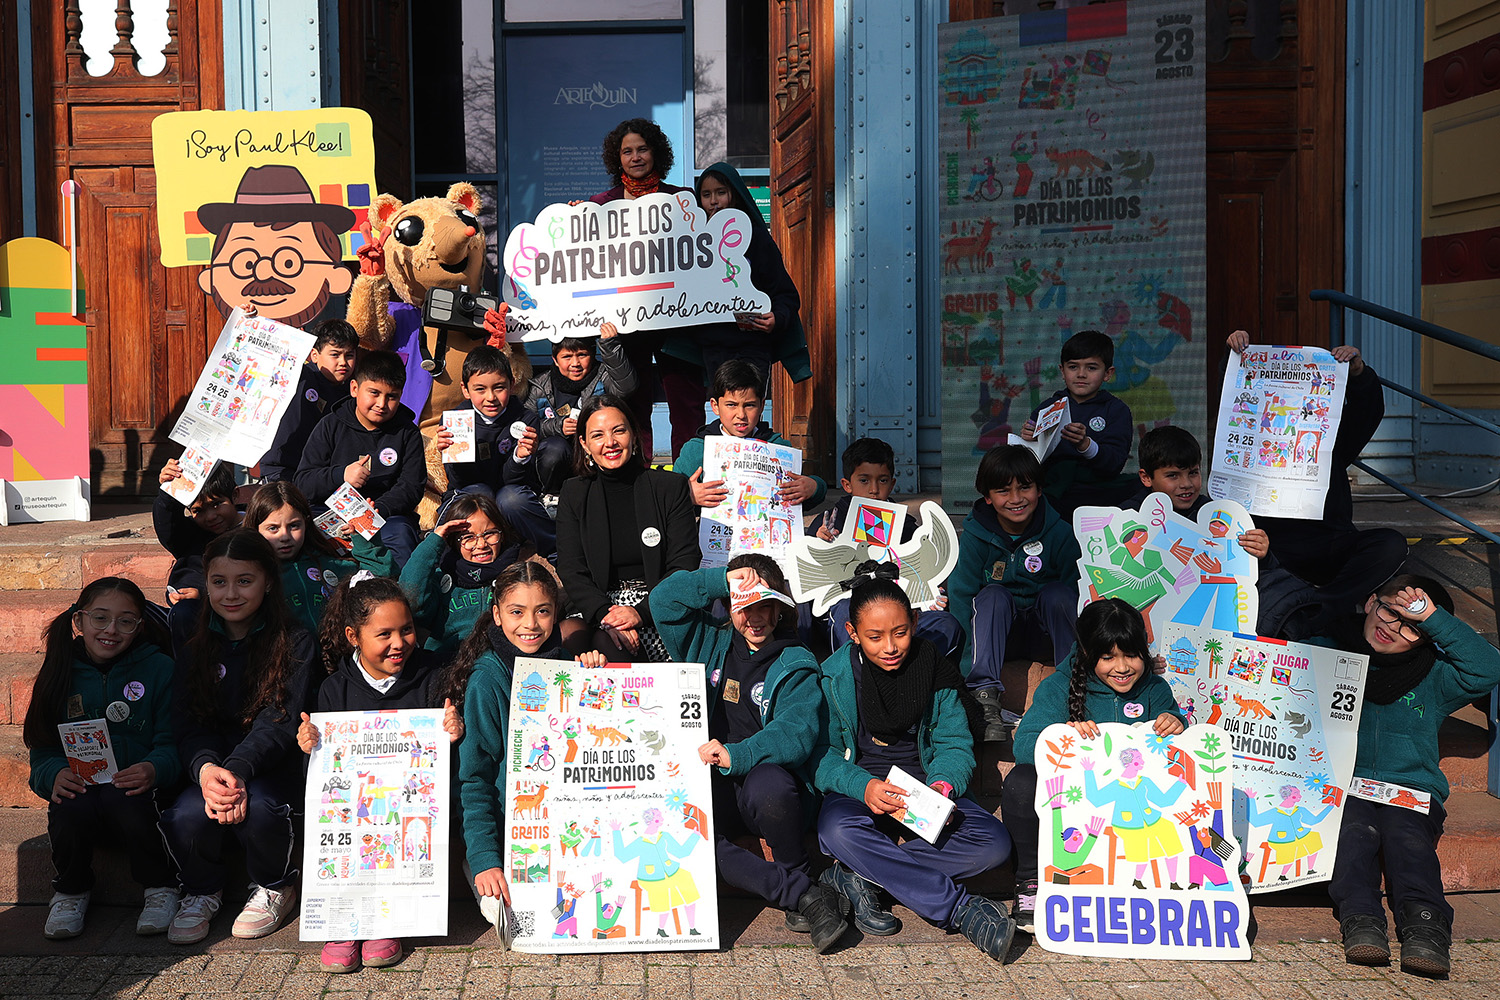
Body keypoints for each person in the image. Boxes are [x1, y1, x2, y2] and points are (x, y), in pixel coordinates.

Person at [811, 563, 1016, 962]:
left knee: (994, 844)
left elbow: (954, 744)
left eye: (900, 632)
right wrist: (863, 787)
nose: (890, 646)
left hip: (923, 791)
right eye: (874, 637)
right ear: (852, 634)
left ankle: (860, 877)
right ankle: (960, 909)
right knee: (835, 830)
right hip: (862, 790)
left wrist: (941, 786)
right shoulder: (833, 677)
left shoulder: (934, 668)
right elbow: (822, 755)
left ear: (916, 622)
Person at [650, 556, 850, 952]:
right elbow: (662, 602)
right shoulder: (710, 642)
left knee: (770, 785)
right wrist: (718, 579)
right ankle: (802, 894)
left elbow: (794, 734)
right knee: (685, 837)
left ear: (780, 609)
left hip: (768, 785)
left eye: (765, 606)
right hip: (711, 781)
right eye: (744, 606)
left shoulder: (796, 660)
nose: (755, 618)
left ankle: (795, 867)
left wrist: (736, 755)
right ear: (729, 606)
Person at [1305, 575, 1500, 977]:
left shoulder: (1436, 675)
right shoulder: (1326, 651)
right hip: (1343, 787)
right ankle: (1361, 919)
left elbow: (1488, 668)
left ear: (1428, 635)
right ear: (1371, 600)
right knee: (1353, 835)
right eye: (1390, 610)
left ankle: (1426, 925)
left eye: (1411, 625)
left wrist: (1432, 616)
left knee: (1408, 842)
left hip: (1410, 790)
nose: (1392, 626)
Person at [296, 574, 464, 973]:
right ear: (353, 636)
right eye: (384, 634)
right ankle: (343, 922)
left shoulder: (432, 678)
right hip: (356, 810)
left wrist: (453, 732)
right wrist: (311, 745)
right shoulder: (334, 689)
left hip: (411, 809)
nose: (399, 643)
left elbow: (444, 752)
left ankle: (387, 921)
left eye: (406, 630)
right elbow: (322, 777)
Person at [162, 530, 321, 945]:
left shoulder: (296, 640)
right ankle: (201, 890)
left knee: (264, 809)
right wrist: (207, 768)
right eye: (219, 582)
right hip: (215, 769)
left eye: (244, 581)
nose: (230, 593)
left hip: (270, 766)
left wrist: (235, 771)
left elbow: (279, 721)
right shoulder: (196, 645)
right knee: (186, 814)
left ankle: (274, 884)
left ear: (268, 581)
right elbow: (188, 721)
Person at [1005, 598, 1186, 933]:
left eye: (1131, 655)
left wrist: (1175, 723)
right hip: (1083, 804)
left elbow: (1180, 752)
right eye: (1108, 657)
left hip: (1135, 809)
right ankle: (1030, 881)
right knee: (1020, 782)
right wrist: (1064, 740)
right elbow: (1026, 743)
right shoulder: (1059, 687)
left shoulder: (1154, 689)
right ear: (1088, 653)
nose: (1122, 667)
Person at [24, 578, 181, 940]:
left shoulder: (159, 669)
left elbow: (173, 742)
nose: (111, 630)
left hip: (137, 793)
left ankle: (160, 887)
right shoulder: (58, 671)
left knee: (126, 797)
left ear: (139, 627)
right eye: (100, 618)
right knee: (68, 804)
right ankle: (71, 890)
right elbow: (43, 749)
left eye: (126, 620)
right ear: (79, 621)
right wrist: (53, 775)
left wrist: (155, 767)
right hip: (84, 791)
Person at [448, 562, 595, 936]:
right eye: (516, 612)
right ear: (496, 615)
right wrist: (484, 859)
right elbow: (474, 778)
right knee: (506, 914)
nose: (530, 624)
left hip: (563, 824)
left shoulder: (566, 665)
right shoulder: (488, 679)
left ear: (556, 614)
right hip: (505, 830)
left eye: (542, 611)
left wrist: (598, 677)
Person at [1225, 330, 1407, 617]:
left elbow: (1365, 414)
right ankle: (1309, 603)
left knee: (1390, 544)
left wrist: (1358, 373)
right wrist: (1239, 350)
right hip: (1273, 551)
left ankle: (1322, 608)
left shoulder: (1327, 442)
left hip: (1330, 544)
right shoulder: (1245, 444)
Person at [947, 445, 1081, 741]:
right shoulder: (974, 537)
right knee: (992, 595)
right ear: (987, 497)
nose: (1016, 499)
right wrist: (964, 667)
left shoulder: (1060, 533)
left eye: (1025, 487)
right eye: (1003, 491)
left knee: (1059, 593)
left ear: (1039, 489)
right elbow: (960, 598)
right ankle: (984, 696)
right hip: (996, 640)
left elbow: (1080, 595)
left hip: (1044, 635)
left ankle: (1073, 686)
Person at [555, 394, 699, 660]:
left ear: (633, 435)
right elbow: (570, 567)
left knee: (607, 644)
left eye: (618, 431)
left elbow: (684, 562)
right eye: (597, 435)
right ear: (585, 445)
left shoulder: (669, 487)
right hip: (596, 604)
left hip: (655, 603)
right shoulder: (574, 492)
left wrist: (640, 612)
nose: (610, 443)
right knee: (568, 638)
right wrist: (604, 614)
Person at [587, 118, 696, 458]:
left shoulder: (682, 200)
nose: (635, 157)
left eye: (642, 149)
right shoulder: (599, 205)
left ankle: (687, 480)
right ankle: (637, 479)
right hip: (625, 323)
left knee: (686, 402)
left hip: (676, 320)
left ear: (656, 153)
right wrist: (576, 221)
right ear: (616, 158)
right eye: (627, 151)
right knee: (630, 404)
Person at [806, 437, 964, 658]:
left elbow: (921, 570)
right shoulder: (831, 521)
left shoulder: (906, 527)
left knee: (945, 624)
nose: (873, 489)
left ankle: (918, 677)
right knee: (844, 611)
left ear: (892, 484)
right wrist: (818, 543)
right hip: (850, 607)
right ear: (847, 485)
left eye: (882, 481)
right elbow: (808, 566)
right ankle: (859, 679)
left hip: (898, 611)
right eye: (864, 480)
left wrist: (930, 591)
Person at [669, 162, 811, 403]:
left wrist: (776, 317)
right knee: (726, 411)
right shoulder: (691, 244)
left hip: (752, 345)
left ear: (734, 194)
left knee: (749, 409)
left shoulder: (757, 241)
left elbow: (785, 294)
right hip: (712, 348)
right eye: (706, 195)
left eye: (721, 193)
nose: (713, 201)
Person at [294, 350, 426, 569]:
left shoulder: (407, 432)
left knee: (401, 537)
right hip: (330, 515)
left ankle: (402, 598)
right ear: (354, 388)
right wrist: (341, 475)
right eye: (374, 393)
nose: (382, 403)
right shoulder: (330, 425)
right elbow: (303, 482)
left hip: (386, 517)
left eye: (391, 396)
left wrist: (377, 510)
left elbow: (411, 486)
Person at [194, 164, 355, 329]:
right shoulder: (242, 330)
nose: (263, 274)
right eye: (246, 263)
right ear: (210, 279)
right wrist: (247, 326)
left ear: (337, 277)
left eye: (289, 262)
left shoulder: (328, 344)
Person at [432, 345, 557, 558]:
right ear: (465, 389)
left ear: (512, 385)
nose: (490, 397)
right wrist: (451, 457)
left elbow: (514, 481)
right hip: (471, 493)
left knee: (511, 499)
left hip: (509, 497)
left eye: (499, 387)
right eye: (480, 389)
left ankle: (557, 551)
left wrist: (520, 458)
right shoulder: (456, 420)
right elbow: (460, 482)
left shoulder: (525, 420)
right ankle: (443, 559)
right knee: (479, 493)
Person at [245, 482, 395, 633]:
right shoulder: (249, 575)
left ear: (306, 522)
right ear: (255, 528)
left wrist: (366, 537)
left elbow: (379, 580)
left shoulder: (330, 565)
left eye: (294, 526)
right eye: (273, 528)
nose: (285, 536)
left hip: (335, 652)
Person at [677, 359, 826, 510]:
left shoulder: (778, 448)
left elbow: (801, 496)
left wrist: (813, 487)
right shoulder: (696, 450)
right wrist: (689, 495)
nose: (741, 415)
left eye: (749, 405)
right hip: (713, 531)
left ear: (762, 406)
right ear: (715, 406)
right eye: (731, 405)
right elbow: (668, 497)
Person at [1019, 329, 1135, 517]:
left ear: (1108, 373)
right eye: (1073, 367)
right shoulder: (1048, 407)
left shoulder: (1116, 410)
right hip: (1052, 491)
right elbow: (1029, 464)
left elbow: (1115, 463)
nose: (1081, 374)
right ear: (1062, 371)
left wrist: (1086, 445)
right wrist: (1029, 442)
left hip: (1099, 490)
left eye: (1091, 368)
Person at [400, 494, 522, 663]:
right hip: (446, 664)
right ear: (454, 542)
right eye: (468, 538)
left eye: (490, 534)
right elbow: (409, 598)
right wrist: (434, 541)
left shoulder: (516, 578)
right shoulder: (442, 580)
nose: (481, 545)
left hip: (498, 665)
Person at [526, 321, 638, 495]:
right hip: (558, 458)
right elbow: (527, 425)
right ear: (555, 360)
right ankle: (551, 496)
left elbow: (627, 387)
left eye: (582, 355)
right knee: (554, 449)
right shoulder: (539, 386)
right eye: (567, 357)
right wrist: (558, 426)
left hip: (595, 453)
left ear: (593, 355)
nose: (575, 363)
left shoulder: (603, 375)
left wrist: (610, 346)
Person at [260, 319, 360, 482]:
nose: (343, 362)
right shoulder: (300, 376)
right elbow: (266, 351)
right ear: (314, 355)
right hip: (282, 471)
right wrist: (248, 318)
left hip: (322, 478)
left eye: (349, 355)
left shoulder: (354, 391)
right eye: (335, 354)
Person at [153, 461, 242, 634]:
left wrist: (205, 595)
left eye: (216, 504)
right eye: (198, 510)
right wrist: (169, 491)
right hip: (191, 617)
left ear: (235, 495)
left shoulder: (256, 528)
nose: (210, 516)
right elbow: (167, 525)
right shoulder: (191, 535)